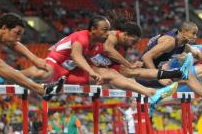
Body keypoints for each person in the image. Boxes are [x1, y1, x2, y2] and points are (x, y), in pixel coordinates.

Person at [21, 15, 178, 112]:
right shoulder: (82, 37)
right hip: (56, 64)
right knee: (44, 73)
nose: (107, 33)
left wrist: (107, 72)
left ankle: (150, 92)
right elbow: (76, 56)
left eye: (108, 29)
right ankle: (15, 75)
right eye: (104, 30)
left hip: (71, 72)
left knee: (112, 74)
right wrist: (93, 72)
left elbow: (105, 64)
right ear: (92, 29)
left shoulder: (98, 44)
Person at [136, 22, 202, 117]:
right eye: (193, 33)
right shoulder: (170, 41)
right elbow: (146, 57)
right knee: (194, 73)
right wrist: (159, 77)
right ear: (183, 32)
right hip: (145, 76)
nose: (196, 37)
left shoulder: (182, 44)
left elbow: (197, 54)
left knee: (189, 78)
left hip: (158, 74)